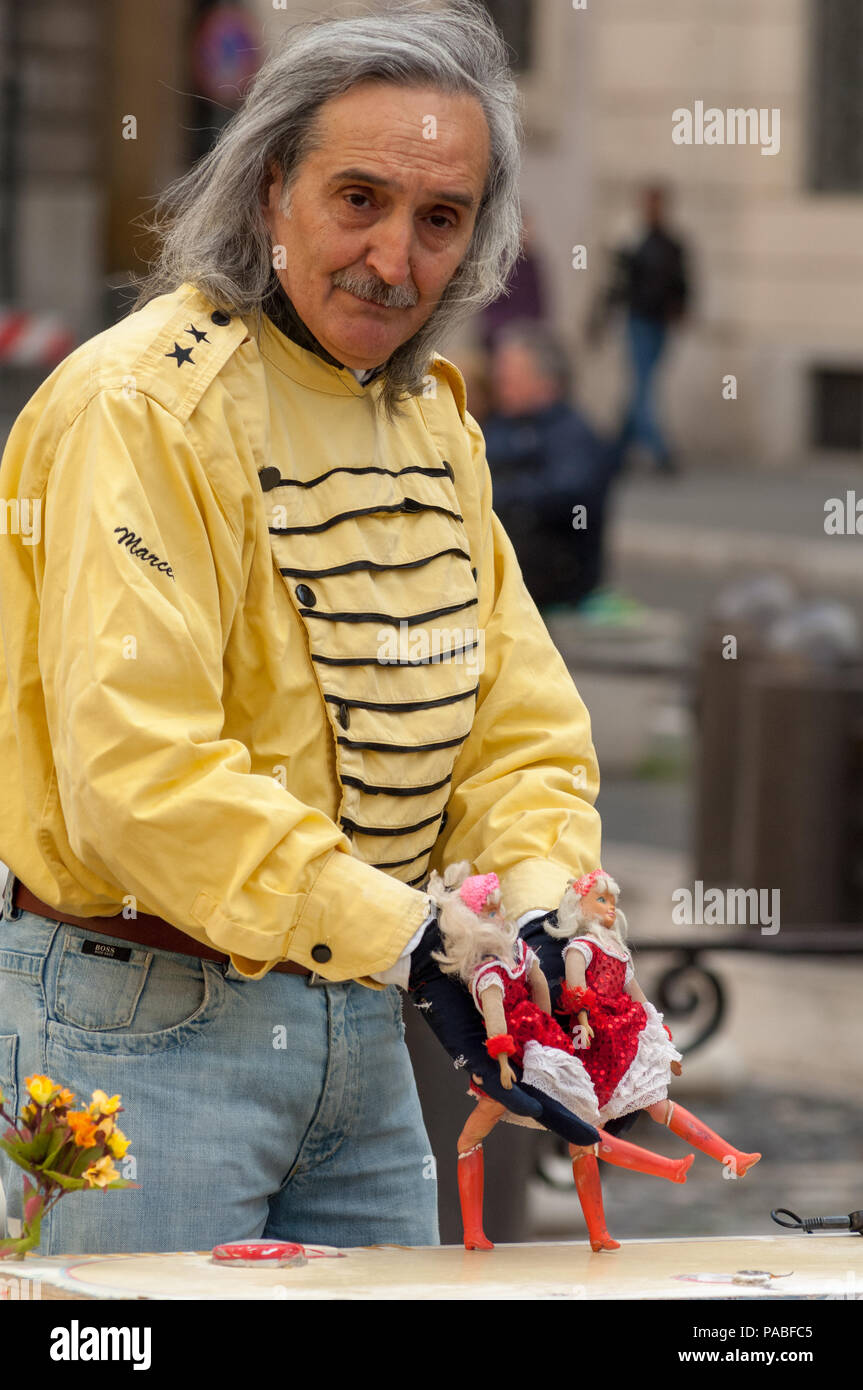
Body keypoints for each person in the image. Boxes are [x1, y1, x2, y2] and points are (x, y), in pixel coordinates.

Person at [0, 2, 603, 1256]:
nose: (394, 259)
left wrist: (537, 917)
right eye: (359, 200)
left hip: (365, 1028)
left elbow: (518, 733)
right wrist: (420, 938)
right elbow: (140, 776)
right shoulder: (138, 409)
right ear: (270, 187)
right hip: (139, 1029)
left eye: (439, 220)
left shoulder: (433, 419)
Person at [550, 870, 762, 1251]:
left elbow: (638, 995)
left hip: (625, 1037)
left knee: (654, 1106)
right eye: (601, 900)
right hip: (597, 1043)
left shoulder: (616, 950)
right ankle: (601, 1228)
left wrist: (656, 1031)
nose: (610, 907)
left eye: (613, 900)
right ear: (579, 906)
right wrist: (583, 1021)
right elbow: (577, 991)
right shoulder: (579, 949)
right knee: (585, 1135)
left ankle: (729, 1155)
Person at [482, 320, 621, 608]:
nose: (500, 381)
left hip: (558, 570)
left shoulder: (571, 432)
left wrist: (501, 492)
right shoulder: (500, 423)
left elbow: (569, 493)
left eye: (512, 375)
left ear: (546, 381)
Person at [599, 184, 690, 475]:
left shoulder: (671, 243)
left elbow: (683, 282)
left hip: (660, 322)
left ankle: (616, 452)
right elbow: (618, 281)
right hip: (637, 320)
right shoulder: (634, 241)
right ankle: (662, 451)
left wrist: (682, 310)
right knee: (642, 387)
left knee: (643, 386)